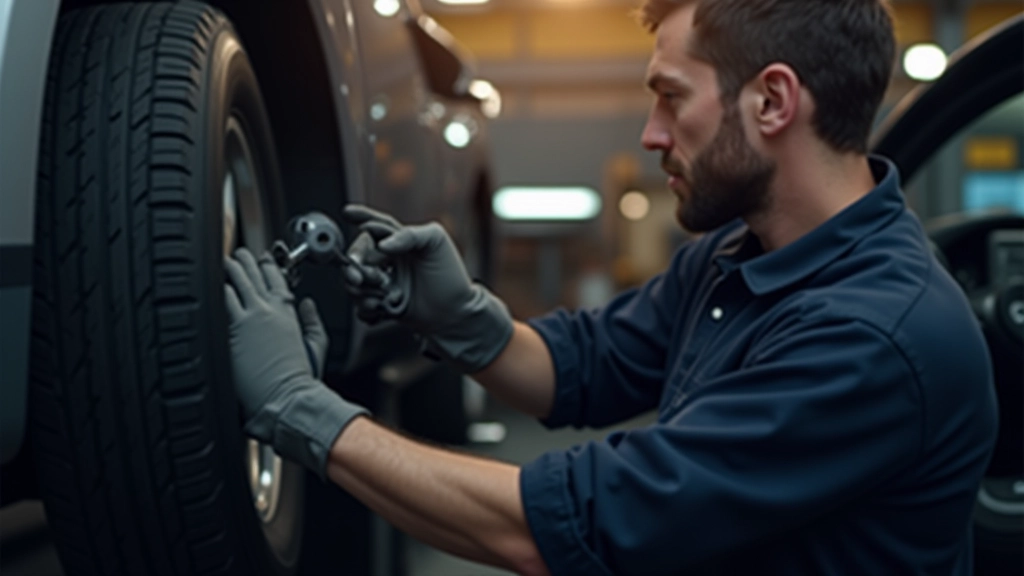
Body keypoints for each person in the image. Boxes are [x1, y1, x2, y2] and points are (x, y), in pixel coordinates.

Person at [223, 0, 998, 573]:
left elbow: (567, 527)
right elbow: (585, 366)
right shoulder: (739, 252)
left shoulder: (873, 337)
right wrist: (461, 319)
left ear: (772, 101)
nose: (651, 134)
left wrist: (301, 410)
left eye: (671, 96)